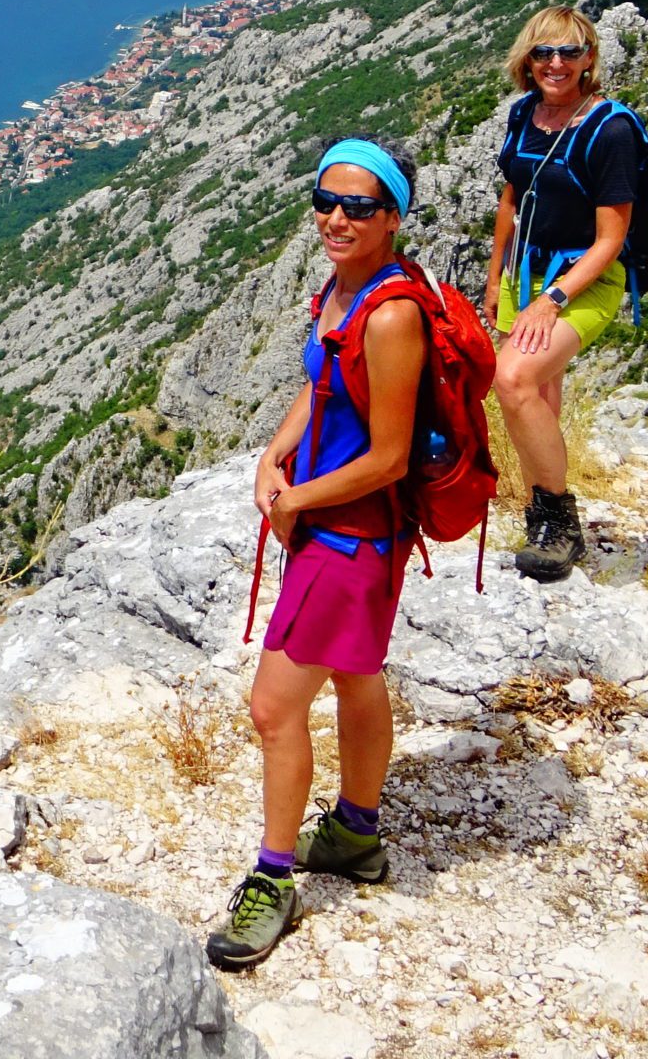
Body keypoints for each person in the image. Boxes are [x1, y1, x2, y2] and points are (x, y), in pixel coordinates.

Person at [208, 138, 428, 973]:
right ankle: (357, 837)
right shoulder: (343, 290)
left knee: (273, 708)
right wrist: (274, 452)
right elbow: (320, 385)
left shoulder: (393, 312)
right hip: (336, 528)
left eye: (360, 207)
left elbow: (390, 457)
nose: (337, 218)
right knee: (355, 674)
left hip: (351, 535)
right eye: (325, 201)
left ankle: (274, 880)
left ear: (394, 217)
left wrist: (298, 496)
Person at [487, 5, 635, 584]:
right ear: (527, 58)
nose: (555, 63)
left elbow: (611, 240)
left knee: (513, 379)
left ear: (588, 59)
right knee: (538, 397)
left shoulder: (610, 129)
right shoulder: (524, 114)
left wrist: (552, 300)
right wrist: (495, 273)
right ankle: (539, 519)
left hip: (581, 281)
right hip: (520, 277)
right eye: (544, 52)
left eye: (569, 52)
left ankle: (557, 520)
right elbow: (512, 197)